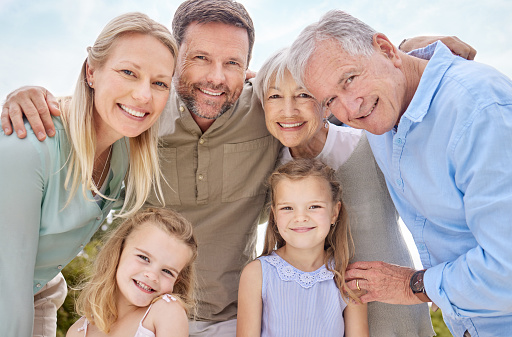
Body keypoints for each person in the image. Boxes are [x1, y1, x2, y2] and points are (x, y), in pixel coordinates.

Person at [0, 0, 478, 334]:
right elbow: (98, 101)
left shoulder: (267, 111)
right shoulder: (142, 118)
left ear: (249, 66)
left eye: (232, 62)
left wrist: (416, 50)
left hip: (236, 317)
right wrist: (31, 94)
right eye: (200, 59)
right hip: (141, 314)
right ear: (174, 57)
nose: (215, 77)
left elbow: (334, 78)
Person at [287, 9, 512, 337]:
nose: (351, 108)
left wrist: (412, 286)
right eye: (331, 100)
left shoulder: (478, 110)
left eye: (350, 78)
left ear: (386, 50)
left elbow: (507, 266)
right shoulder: (385, 105)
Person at [0, 12, 177, 337]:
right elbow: (6, 288)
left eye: (159, 83)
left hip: (37, 294)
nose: (144, 95)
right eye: (128, 72)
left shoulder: (123, 151)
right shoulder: (27, 149)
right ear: (91, 72)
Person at [251, 47, 433, 336]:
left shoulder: (370, 144)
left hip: (392, 309)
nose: (288, 110)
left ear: (326, 103)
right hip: (319, 322)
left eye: (303, 95)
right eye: (274, 96)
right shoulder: (269, 168)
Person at [238, 159, 369, 337]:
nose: (300, 217)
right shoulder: (257, 274)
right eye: (287, 208)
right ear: (275, 215)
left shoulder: (350, 279)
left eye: (314, 206)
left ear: (334, 213)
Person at [66, 208, 197, 337]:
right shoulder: (78, 331)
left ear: (177, 280)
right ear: (118, 251)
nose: (152, 276)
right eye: (144, 258)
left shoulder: (166, 312)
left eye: (167, 271)